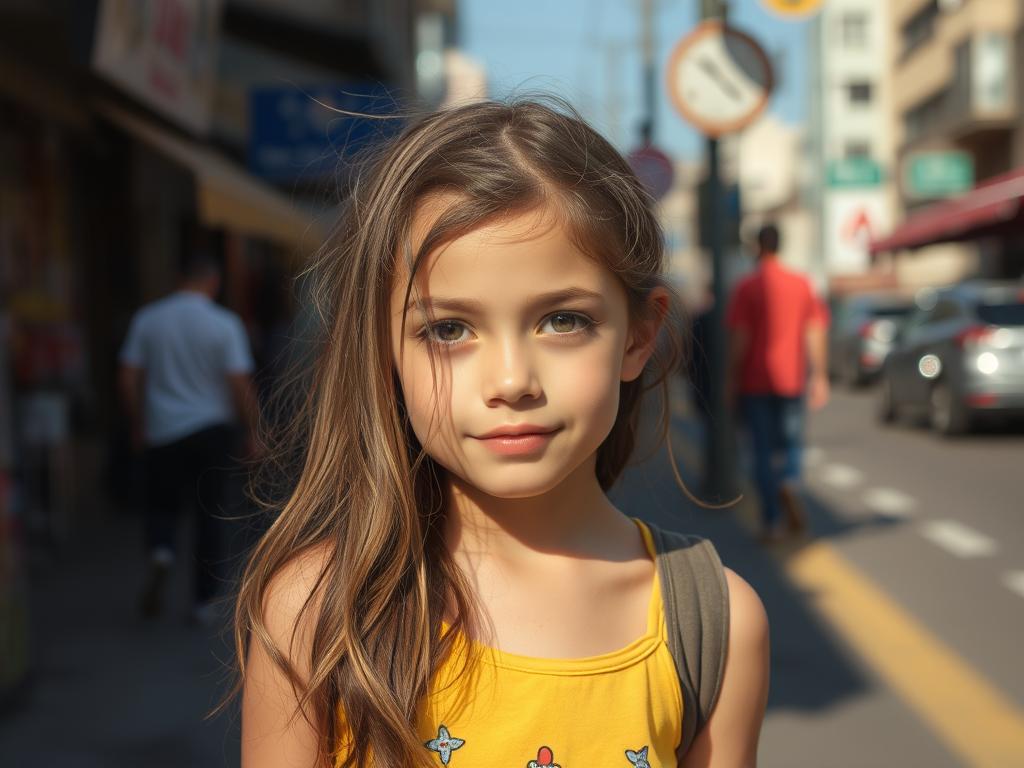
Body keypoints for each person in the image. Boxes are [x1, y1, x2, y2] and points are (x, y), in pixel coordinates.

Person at [235, 98, 769, 768]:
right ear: (384, 348)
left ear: (639, 335)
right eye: (449, 330)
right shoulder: (319, 612)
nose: (512, 380)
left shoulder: (714, 623)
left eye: (562, 320)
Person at [119, 255, 259, 623]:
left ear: (178, 279)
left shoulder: (148, 319)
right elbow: (239, 384)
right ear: (213, 282)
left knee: (161, 502)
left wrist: (138, 422)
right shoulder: (225, 324)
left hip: (162, 429)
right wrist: (255, 430)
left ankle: (161, 550)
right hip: (212, 429)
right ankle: (204, 601)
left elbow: (128, 378)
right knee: (208, 514)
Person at [726, 224, 830, 545]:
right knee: (791, 445)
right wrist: (820, 375)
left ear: (758, 246)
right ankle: (790, 480)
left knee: (761, 451)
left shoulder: (747, 287)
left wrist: (730, 379)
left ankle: (771, 521)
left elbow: (740, 339)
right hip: (793, 380)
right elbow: (815, 331)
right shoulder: (801, 284)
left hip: (755, 382)